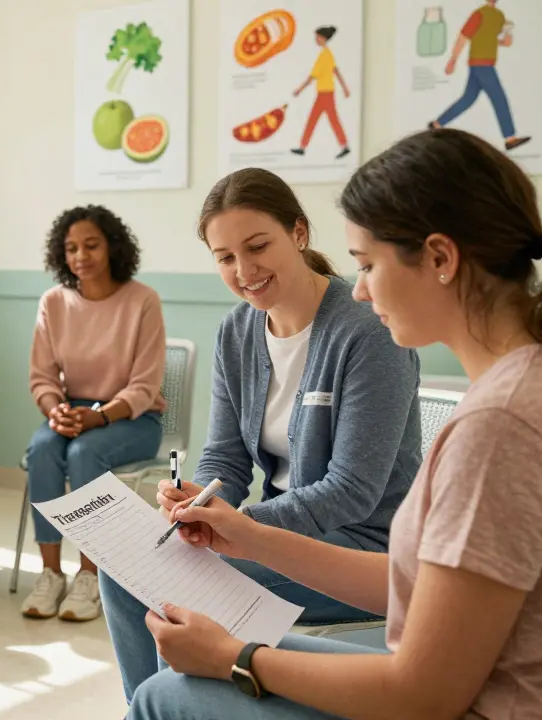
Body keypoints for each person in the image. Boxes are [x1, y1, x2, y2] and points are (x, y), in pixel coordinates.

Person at [125, 128, 542, 720]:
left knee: (164, 694)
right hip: (435, 666)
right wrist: (245, 533)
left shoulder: (499, 428)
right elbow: (413, 584)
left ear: (441, 258)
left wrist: (236, 658)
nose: (357, 286)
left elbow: (425, 695)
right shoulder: (528, 385)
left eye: (366, 264)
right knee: (156, 615)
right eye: (225, 256)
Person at [99, 166, 423, 698]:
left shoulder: (368, 332)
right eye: (225, 258)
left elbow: (353, 491)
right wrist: (198, 499)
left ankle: (163, 708)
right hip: (272, 534)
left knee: (164, 585)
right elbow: (224, 459)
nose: (243, 270)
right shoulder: (237, 331)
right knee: (126, 569)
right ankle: (152, 710)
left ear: (298, 233)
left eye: (257, 247)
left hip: (363, 549)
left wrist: (238, 526)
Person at [21, 205, 166, 622]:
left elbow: (144, 387)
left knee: (85, 453)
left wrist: (99, 417)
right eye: (71, 248)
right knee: (43, 449)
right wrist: (55, 412)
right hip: (73, 413)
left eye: (91, 245)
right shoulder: (54, 302)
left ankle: (90, 575)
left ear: (112, 247)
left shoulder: (143, 301)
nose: (80, 256)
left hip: (133, 418)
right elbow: (42, 376)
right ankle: (50, 573)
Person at [431, 0, 530, 151]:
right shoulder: (479, 14)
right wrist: (453, 60)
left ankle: (437, 124)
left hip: (486, 63)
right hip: (480, 64)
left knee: (468, 98)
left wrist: (504, 42)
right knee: (499, 98)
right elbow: (463, 37)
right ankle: (510, 138)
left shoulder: (499, 16)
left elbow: (488, 39)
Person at [290, 26, 352, 159]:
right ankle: (343, 145)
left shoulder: (324, 56)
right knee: (329, 120)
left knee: (315, 119)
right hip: (326, 93)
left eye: (317, 37)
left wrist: (299, 90)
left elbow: (312, 77)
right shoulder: (328, 54)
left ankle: (303, 147)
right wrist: (345, 88)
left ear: (323, 38)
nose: (316, 40)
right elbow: (336, 71)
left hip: (325, 94)